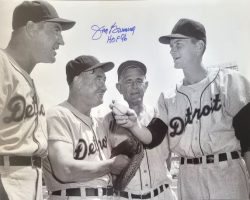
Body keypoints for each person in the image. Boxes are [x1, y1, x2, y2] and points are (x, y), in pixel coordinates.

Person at [112, 18, 250, 200]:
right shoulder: (169, 97)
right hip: (188, 176)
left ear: (199, 46)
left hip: (226, 171)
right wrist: (134, 125)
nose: (172, 50)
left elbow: (248, 140)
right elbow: (153, 137)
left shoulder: (230, 82)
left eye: (178, 44)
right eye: (171, 46)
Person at [0, 1, 75, 200]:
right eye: (56, 30)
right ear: (32, 28)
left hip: (30, 184)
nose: (61, 41)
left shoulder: (29, 81)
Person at [43, 55, 131, 200]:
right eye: (98, 79)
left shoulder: (100, 123)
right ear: (77, 81)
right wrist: (111, 165)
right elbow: (65, 170)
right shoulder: (58, 116)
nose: (104, 87)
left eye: (104, 80)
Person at [104, 60, 176, 200]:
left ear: (146, 85)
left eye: (139, 80)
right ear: (119, 87)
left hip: (161, 194)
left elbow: (168, 158)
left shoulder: (160, 115)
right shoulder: (107, 121)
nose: (135, 86)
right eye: (128, 81)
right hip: (125, 196)